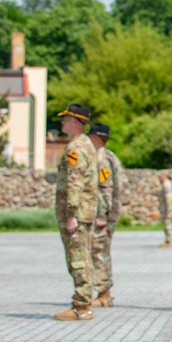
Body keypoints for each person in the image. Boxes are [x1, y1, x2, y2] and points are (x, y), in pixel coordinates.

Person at [53, 103, 99, 321]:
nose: (62, 122)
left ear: (75, 121)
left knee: (78, 258)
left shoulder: (76, 148)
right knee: (83, 257)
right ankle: (83, 303)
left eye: (66, 119)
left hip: (77, 213)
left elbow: (75, 182)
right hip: (85, 211)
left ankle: (81, 307)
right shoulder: (87, 145)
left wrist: (71, 213)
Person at [89, 122, 123, 308]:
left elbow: (105, 189)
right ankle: (103, 292)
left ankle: (103, 294)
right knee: (101, 250)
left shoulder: (102, 158)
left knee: (99, 251)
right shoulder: (108, 156)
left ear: (96, 137)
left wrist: (101, 215)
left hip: (104, 212)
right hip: (109, 211)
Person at [158, 173, 172, 247]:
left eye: (160, 176)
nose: (159, 178)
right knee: (166, 224)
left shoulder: (166, 185)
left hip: (167, 208)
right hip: (166, 207)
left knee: (167, 224)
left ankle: (168, 240)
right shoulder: (167, 184)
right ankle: (167, 240)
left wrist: (168, 208)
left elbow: (168, 196)